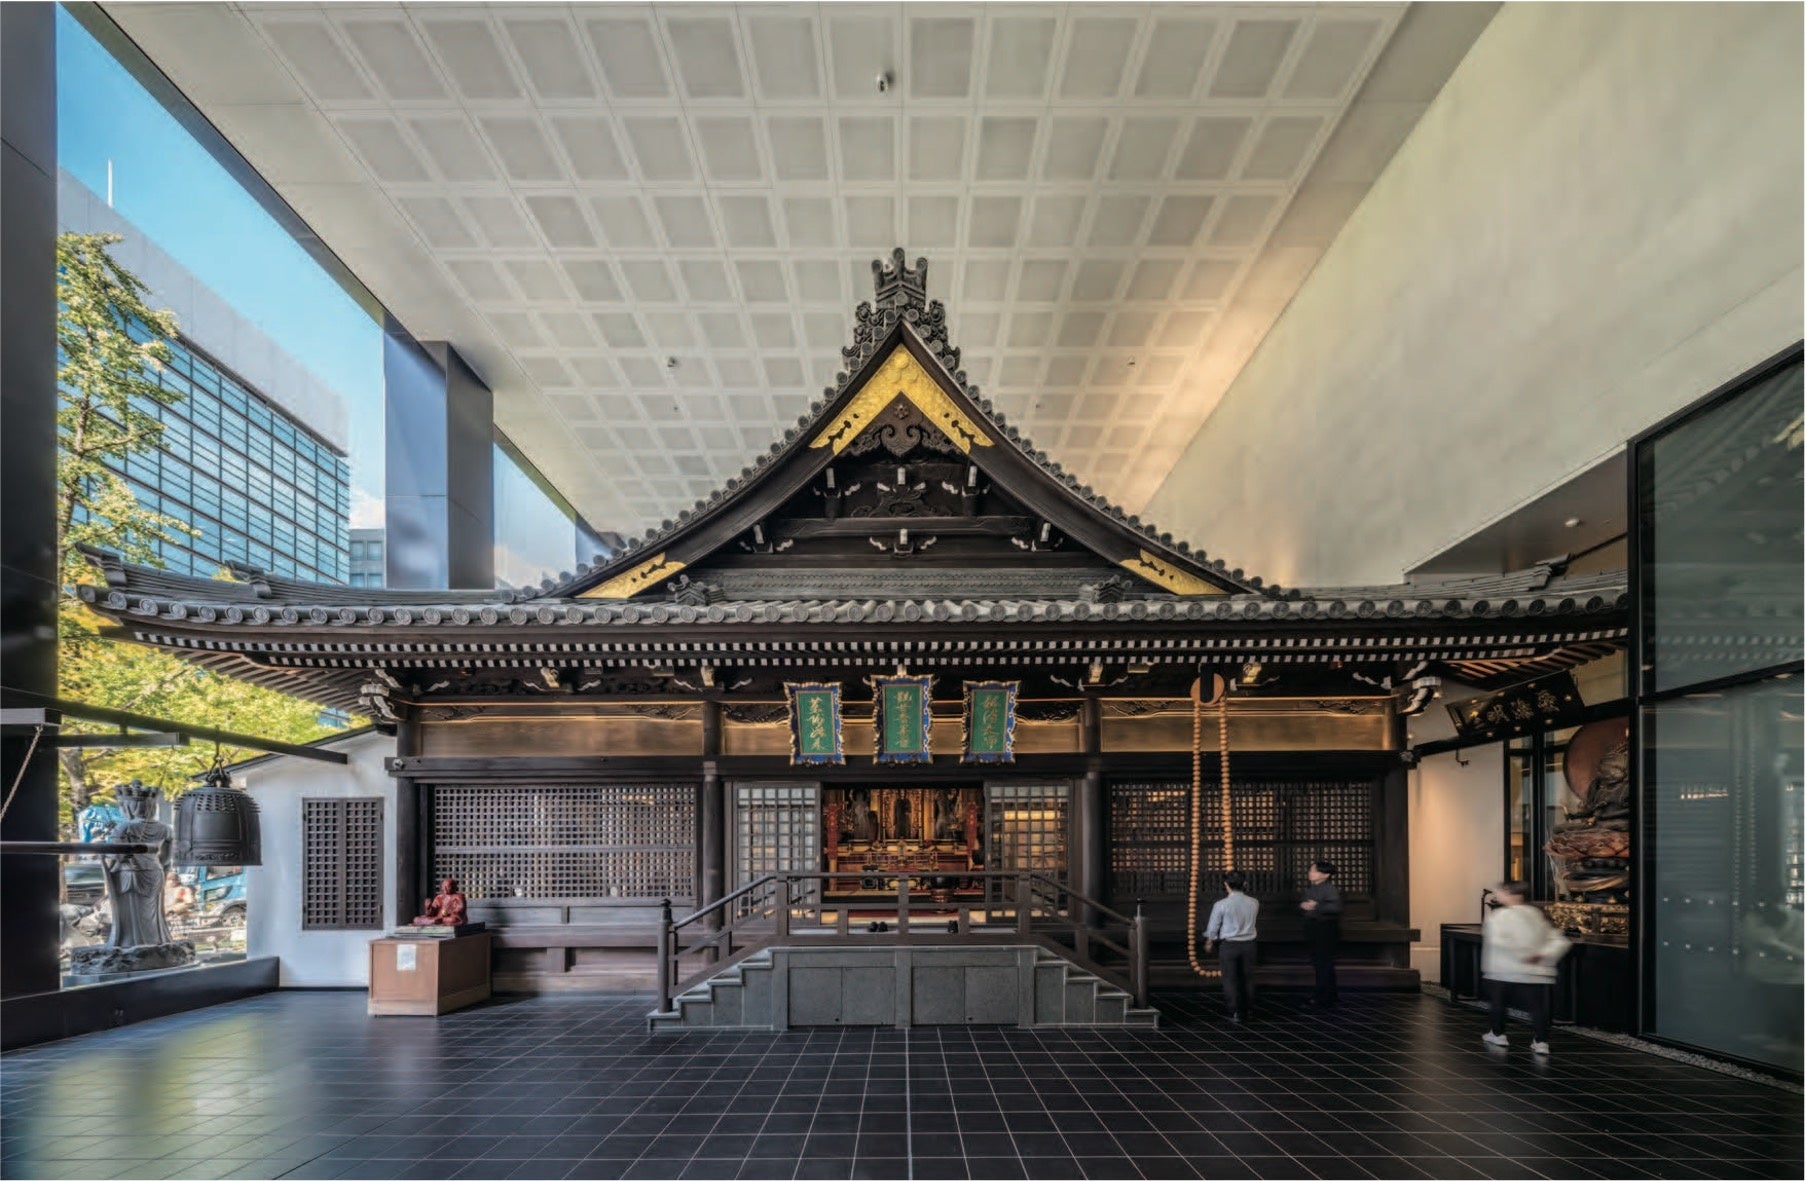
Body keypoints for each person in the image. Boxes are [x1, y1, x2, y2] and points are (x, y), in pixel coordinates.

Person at [1481, 880, 1570, 1055]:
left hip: (1504, 969)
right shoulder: (1538, 915)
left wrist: (1523, 955)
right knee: (1537, 1007)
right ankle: (1541, 1041)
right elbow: (1559, 940)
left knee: (1499, 1002)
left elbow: (1498, 940)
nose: (1497, 894)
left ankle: (1497, 1034)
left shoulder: (1499, 916)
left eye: (1501, 891)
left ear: (1512, 894)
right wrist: (1542, 955)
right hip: (1536, 970)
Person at [1203, 870, 1259, 1023]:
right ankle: (1249, 1010)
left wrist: (1210, 941)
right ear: (1245, 884)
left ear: (1226, 885)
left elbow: (1213, 926)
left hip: (1230, 945)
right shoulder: (1254, 902)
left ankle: (1234, 1011)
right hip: (1249, 944)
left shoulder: (1221, 904)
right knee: (1247, 978)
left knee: (1230, 978)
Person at [1299, 859, 1343, 1008]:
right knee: (1320, 963)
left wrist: (1316, 906)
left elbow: (1336, 908)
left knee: (1323, 963)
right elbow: (1304, 905)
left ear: (1325, 875)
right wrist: (1304, 906)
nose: (1310, 873)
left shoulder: (1329, 889)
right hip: (1313, 928)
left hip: (1325, 929)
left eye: (1314, 870)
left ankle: (1321, 996)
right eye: (1311, 870)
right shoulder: (1311, 889)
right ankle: (1330, 995)